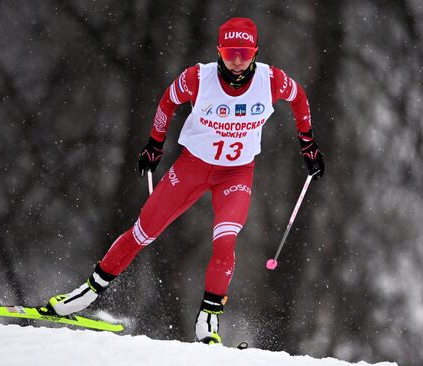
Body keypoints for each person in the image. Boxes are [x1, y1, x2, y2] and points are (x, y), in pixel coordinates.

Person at [45, 17, 324, 344]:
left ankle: (208, 321)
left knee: (225, 242)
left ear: (255, 52)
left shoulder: (272, 80)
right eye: (231, 51)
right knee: (142, 231)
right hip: (193, 167)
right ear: (219, 51)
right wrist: (154, 144)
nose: (237, 60)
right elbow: (167, 102)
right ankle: (88, 293)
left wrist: (308, 143)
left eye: (245, 53)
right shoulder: (197, 78)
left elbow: (300, 98)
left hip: (236, 173)